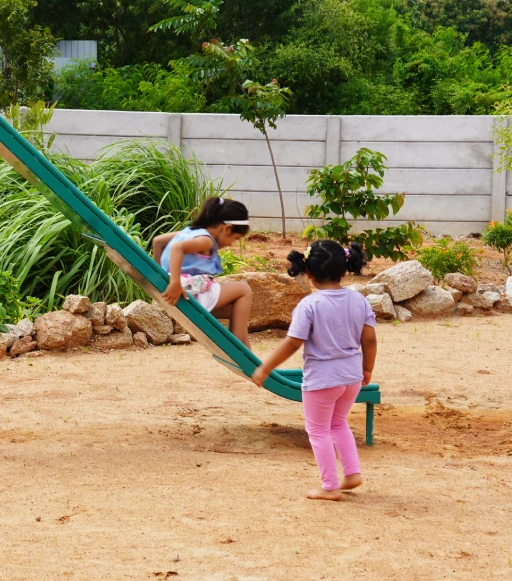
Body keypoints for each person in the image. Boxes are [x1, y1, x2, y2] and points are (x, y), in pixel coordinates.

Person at [252, 239, 375, 501]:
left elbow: (293, 342)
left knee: (318, 430)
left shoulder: (309, 305)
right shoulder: (358, 300)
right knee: (338, 423)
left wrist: (265, 367)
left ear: (307, 272)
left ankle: (329, 486)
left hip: (322, 379)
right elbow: (370, 340)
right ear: (344, 268)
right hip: (351, 377)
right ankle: (352, 473)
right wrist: (367, 369)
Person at [151, 197, 253, 348]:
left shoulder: (188, 232)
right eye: (235, 238)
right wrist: (174, 283)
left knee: (237, 313)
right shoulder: (207, 241)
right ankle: (235, 348)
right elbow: (177, 248)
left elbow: (158, 241)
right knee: (244, 289)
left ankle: (252, 365)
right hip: (189, 291)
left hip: (184, 290)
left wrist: (161, 279)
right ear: (227, 229)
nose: (231, 244)